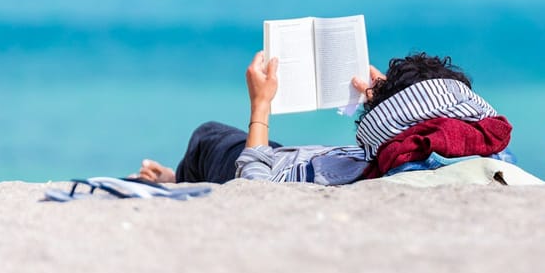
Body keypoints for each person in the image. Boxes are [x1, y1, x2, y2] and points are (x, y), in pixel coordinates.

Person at [137, 51, 513, 185]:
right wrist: (388, 97)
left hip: (280, 169)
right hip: (318, 160)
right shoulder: (477, 144)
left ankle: (179, 180)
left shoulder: (398, 162)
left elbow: (253, 186)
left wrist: (261, 105)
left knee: (209, 136)